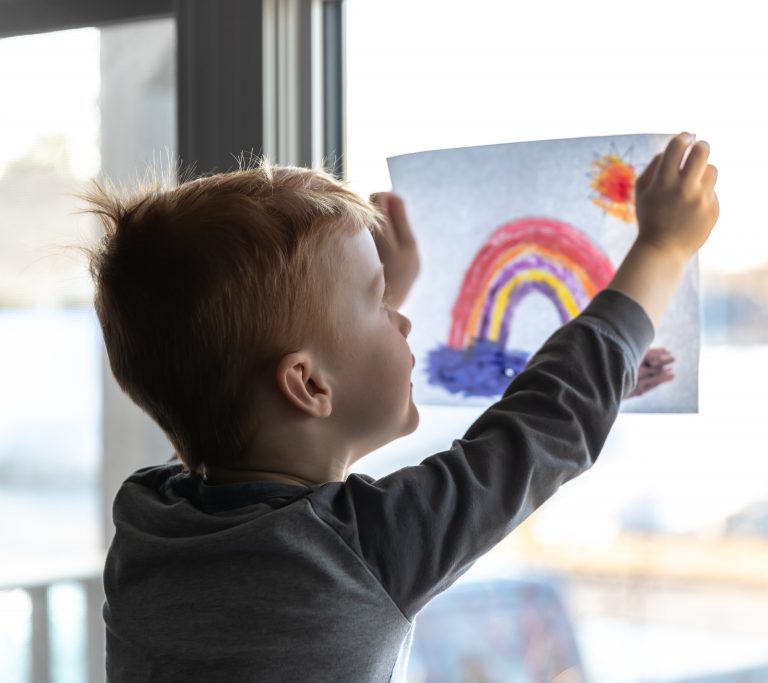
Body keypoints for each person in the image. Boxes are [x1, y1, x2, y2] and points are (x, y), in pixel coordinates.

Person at [91, 132, 718, 681]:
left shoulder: (148, 520)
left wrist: (351, 305)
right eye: (378, 302)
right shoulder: (352, 554)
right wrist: (659, 250)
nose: (405, 319)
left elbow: (259, 415)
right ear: (308, 385)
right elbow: (548, 425)